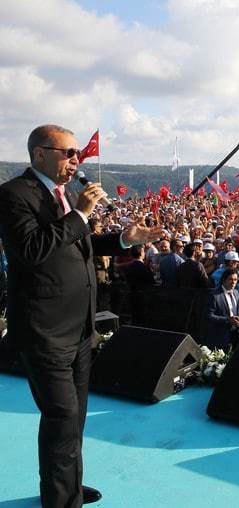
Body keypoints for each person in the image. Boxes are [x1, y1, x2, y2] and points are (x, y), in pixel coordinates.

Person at [0, 124, 161, 507]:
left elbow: (77, 242)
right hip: (45, 330)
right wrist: (84, 212)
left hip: (80, 329)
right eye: (68, 152)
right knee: (61, 416)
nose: (76, 160)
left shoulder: (65, 194)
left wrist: (124, 240)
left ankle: (67, 487)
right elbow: (35, 249)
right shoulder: (12, 195)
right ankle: (60, 500)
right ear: (39, 153)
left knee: (76, 418)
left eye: (77, 153)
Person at [206, 268, 239, 349]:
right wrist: (228, 319)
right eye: (230, 279)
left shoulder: (236, 293)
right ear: (224, 279)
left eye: (235, 279)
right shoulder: (214, 295)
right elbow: (209, 316)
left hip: (235, 335)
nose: (233, 282)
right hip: (220, 337)